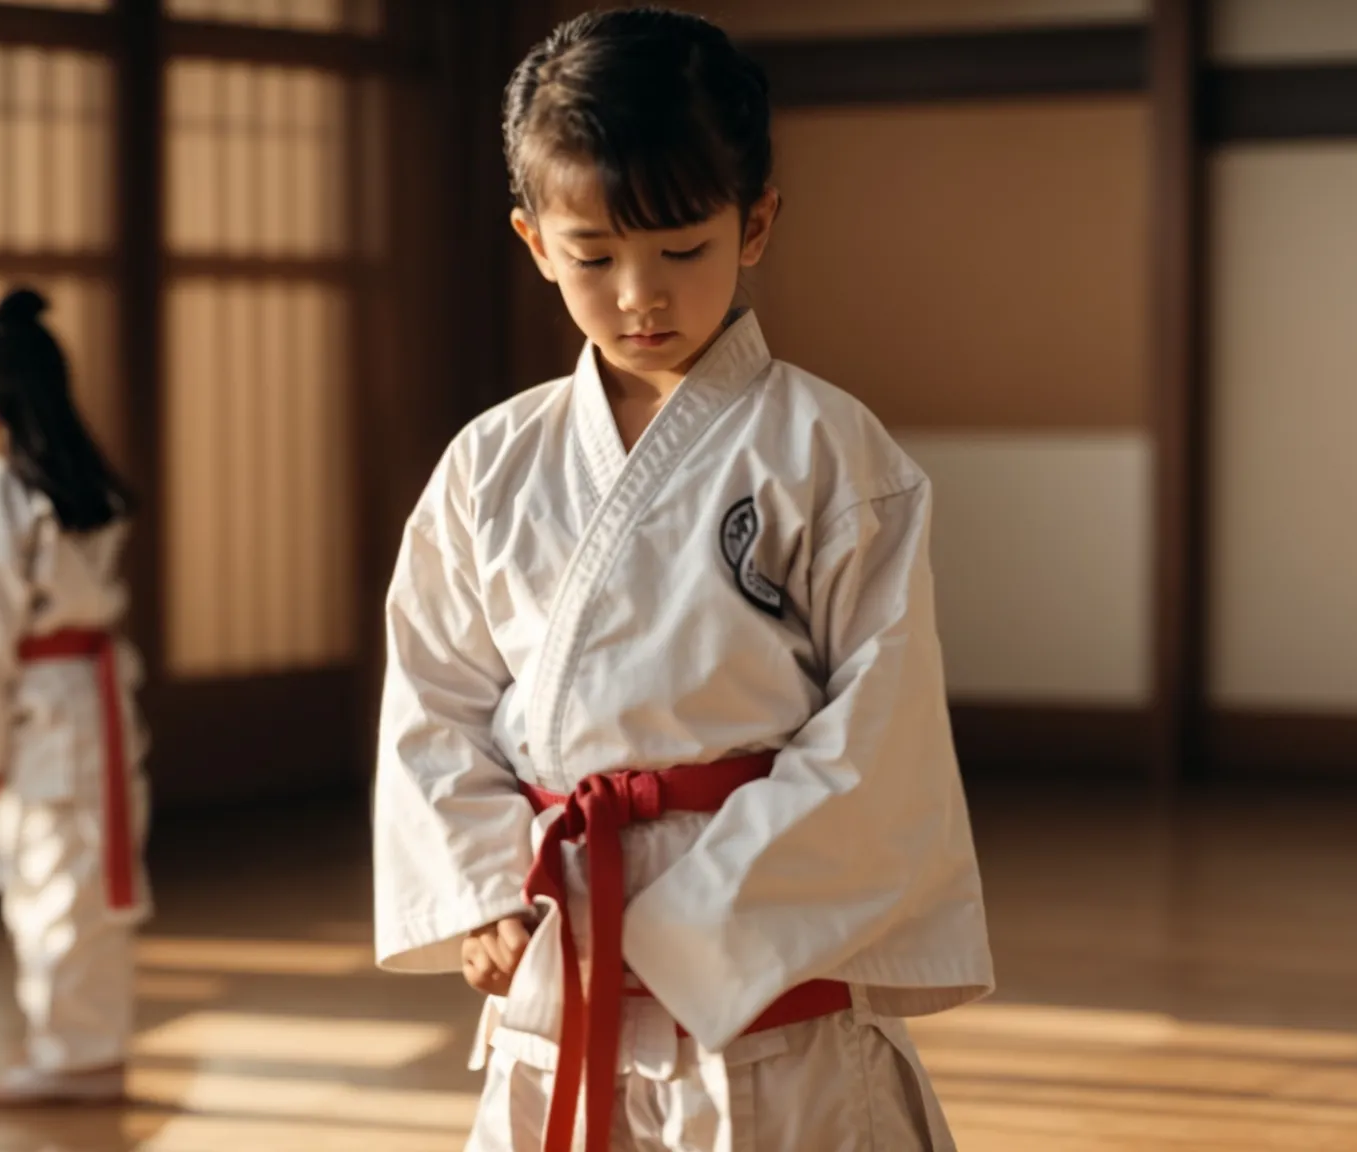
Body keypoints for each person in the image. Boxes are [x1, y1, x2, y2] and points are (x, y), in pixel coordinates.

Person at [372, 9, 993, 1150]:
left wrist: (695, 928)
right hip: (561, 926)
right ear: (531, 240)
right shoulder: (489, 467)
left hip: (761, 954)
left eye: (681, 249)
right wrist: (481, 891)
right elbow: (433, 697)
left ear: (754, 222)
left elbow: (880, 723)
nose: (637, 297)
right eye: (593, 258)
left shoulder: (825, 449)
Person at [0, 287, 149, 1107]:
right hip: (89, 705)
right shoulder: (73, 484)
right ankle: (82, 1044)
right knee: (75, 887)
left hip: (50, 715)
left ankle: (77, 1055)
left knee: (59, 888)